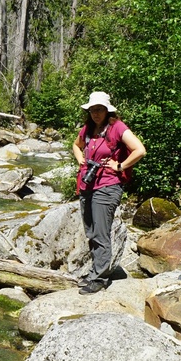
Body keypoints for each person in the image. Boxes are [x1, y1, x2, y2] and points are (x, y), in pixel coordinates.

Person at [72, 91, 146, 294]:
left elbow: (140, 150)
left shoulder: (117, 128)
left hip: (108, 185)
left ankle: (99, 277)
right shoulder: (88, 129)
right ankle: (96, 269)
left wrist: (120, 166)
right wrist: (80, 159)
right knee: (90, 231)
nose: (95, 113)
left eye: (99, 109)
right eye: (92, 109)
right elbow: (76, 145)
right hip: (87, 184)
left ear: (107, 110)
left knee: (101, 232)